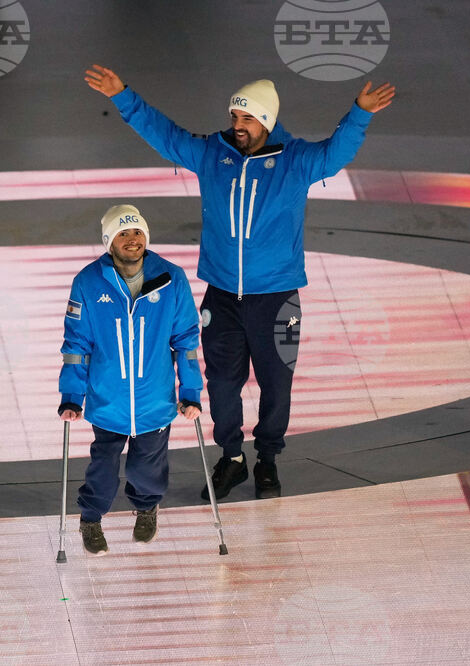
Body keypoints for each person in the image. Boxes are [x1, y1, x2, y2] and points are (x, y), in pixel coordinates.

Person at [86, 65, 395, 501]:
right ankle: (232, 456)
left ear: (266, 121)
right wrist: (123, 96)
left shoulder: (295, 160)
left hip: (277, 298)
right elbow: (167, 136)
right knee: (222, 384)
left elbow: (337, 153)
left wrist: (359, 113)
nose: (237, 126)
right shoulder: (214, 153)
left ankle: (267, 461)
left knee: (276, 383)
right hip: (222, 297)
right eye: (234, 117)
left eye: (246, 119)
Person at [59, 205, 203, 555]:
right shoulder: (89, 281)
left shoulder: (172, 278)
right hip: (108, 400)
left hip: (155, 400)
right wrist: (71, 396)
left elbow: (186, 340)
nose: (132, 239)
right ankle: (90, 520)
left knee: (146, 469)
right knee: (103, 470)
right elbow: (77, 344)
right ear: (109, 241)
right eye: (123, 233)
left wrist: (191, 392)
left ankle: (147, 505)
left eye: (137, 232)